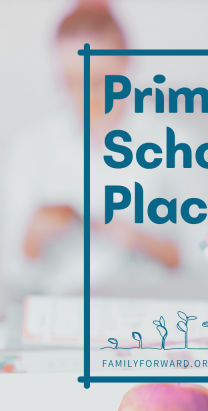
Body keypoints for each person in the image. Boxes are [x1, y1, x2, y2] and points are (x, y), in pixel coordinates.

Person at [0, 2, 182, 298]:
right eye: (70, 82)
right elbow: (13, 272)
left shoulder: (174, 142)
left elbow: (207, 261)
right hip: (59, 306)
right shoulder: (31, 148)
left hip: (150, 307)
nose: (84, 96)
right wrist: (31, 239)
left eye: (98, 80)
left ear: (126, 62)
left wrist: (138, 239)